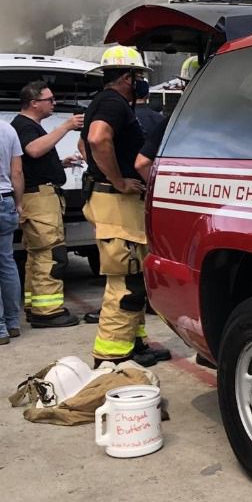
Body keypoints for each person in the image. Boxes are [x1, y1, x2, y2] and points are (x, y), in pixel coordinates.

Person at [82, 45, 169, 367]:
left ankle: (135, 343)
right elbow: (96, 139)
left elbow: (84, 142)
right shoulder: (113, 103)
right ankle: (112, 357)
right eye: (139, 76)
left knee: (136, 275)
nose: (142, 82)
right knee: (126, 281)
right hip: (115, 201)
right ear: (128, 77)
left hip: (110, 200)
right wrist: (118, 180)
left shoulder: (103, 102)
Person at [12, 81, 84, 328]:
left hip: (39, 195)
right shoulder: (24, 126)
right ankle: (49, 312)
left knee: (36, 255)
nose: (54, 103)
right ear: (34, 103)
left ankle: (36, 306)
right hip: (39, 199)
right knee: (50, 253)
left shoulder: (28, 126)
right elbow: (33, 150)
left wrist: (60, 164)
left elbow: (34, 160)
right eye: (50, 99)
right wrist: (66, 126)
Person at [0, 119, 23, 345]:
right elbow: (16, 172)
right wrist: (18, 203)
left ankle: (0, 330)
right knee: (6, 262)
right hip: (6, 199)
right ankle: (13, 322)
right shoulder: (8, 129)